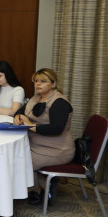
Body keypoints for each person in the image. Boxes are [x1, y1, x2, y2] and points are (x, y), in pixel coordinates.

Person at [14, 68, 74, 207]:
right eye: (36, 81)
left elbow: (56, 129)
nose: (38, 84)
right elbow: (20, 112)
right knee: (15, 155)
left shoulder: (59, 102)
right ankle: (44, 183)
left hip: (57, 149)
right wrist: (18, 117)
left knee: (22, 161)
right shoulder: (36, 98)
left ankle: (38, 190)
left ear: (53, 84)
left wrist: (30, 125)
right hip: (36, 145)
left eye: (43, 81)